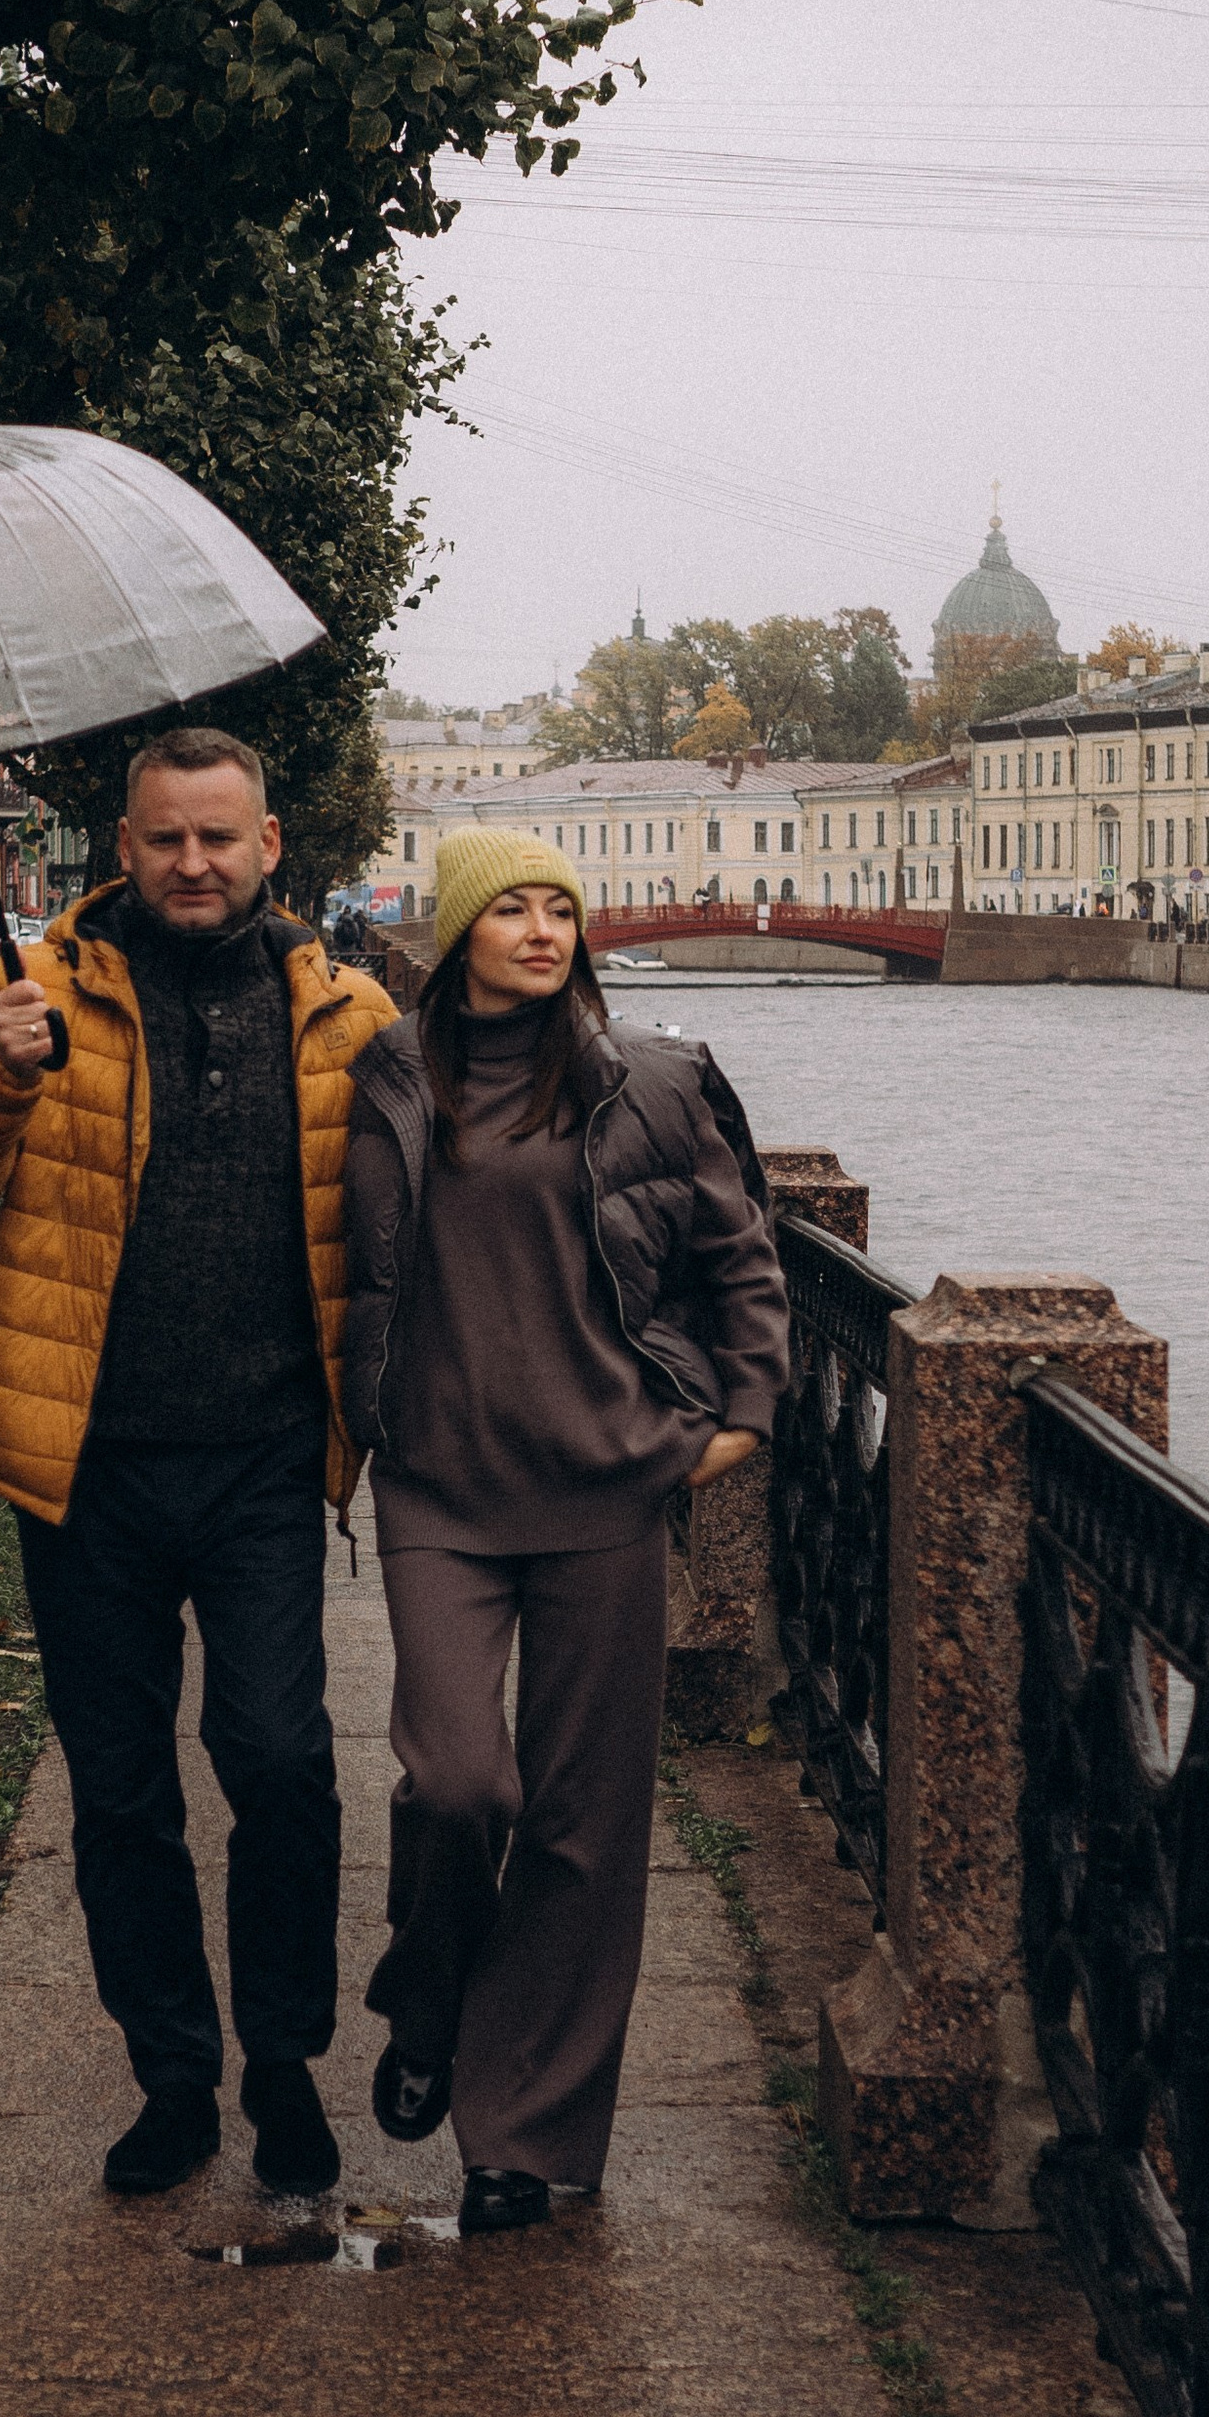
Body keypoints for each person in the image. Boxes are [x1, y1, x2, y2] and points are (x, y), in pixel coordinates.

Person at [0, 727, 395, 2200]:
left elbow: (445, 1190)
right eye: (166, 839)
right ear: (125, 848)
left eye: (218, 839)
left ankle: (286, 2064)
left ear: (269, 844)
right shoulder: (33, 992)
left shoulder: (346, 1012)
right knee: (120, 1791)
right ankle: (173, 2075)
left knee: (283, 1759)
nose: (192, 864)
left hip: (258, 1462)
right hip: (87, 1461)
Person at [341, 829, 789, 2235]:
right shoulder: (392, 1076)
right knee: (463, 1785)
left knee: (587, 1828)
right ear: (459, 929)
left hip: (606, 1487)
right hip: (440, 1493)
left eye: (560, 912)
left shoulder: (652, 1080)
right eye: (512, 910)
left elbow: (744, 1262)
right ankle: (428, 2002)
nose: (542, 932)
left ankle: (520, 2132)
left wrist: (744, 1421)